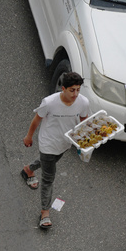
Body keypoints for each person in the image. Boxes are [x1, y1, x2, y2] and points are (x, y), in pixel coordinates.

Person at [20, 71, 90, 229]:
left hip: (65, 144)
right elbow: (36, 120)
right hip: (48, 144)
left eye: (78, 90)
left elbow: (84, 122)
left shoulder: (83, 102)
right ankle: (45, 213)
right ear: (63, 88)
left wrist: (84, 141)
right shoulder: (49, 102)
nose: (76, 94)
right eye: (72, 90)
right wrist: (29, 137)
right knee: (48, 178)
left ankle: (28, 170)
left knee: (49, 162)